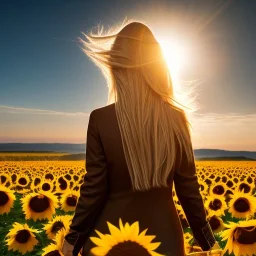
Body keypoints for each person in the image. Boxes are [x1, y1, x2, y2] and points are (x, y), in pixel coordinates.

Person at [61, 18, 221, 256]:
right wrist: (208, 241)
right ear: (158, 67)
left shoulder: (100, 119)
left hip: (108, 240)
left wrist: (73, 239)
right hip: (165, 238)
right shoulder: (176, 119)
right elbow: (189, 191)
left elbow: (93, 188)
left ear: (116, 68)